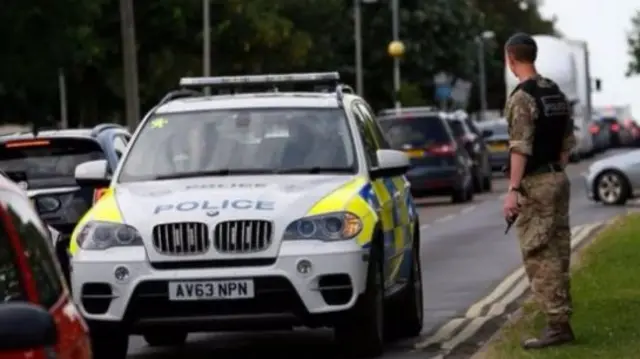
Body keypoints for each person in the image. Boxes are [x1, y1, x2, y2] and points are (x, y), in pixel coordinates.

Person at [502, 32, 576, 349]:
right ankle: (561, 321)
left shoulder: (522, 97)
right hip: (558, 178)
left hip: (536, 184)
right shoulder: (554, 92)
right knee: (558, 251)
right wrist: (554, 169)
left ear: (510, 58)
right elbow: (566, 145)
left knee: (539, 254)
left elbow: (520, 148)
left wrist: (513, 190)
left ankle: (557, 325)